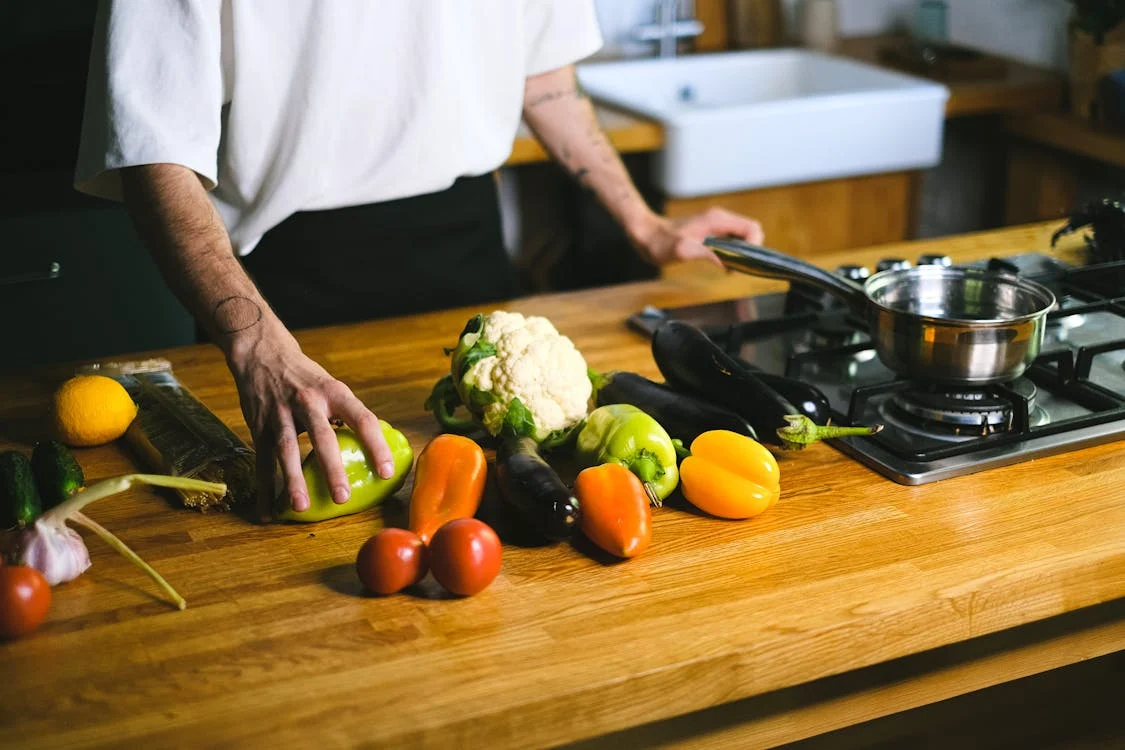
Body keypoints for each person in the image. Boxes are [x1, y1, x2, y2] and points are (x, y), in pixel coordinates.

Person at [75, 0, 764, 521]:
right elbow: (152, 147)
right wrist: (254, 343)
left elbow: (544, 75)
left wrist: (644, 226)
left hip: (470, 271)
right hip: (276, 305)